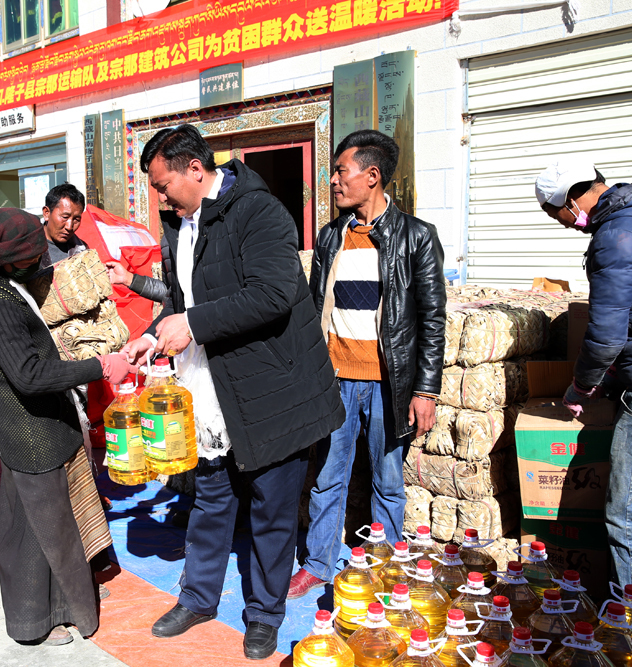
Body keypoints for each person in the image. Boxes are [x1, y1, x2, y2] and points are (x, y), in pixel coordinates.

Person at [121, 124, 344, 660]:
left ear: (195, 170)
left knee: (271, 509)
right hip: (212, 389)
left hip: (272, 388)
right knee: (210, 498)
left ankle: (264, 615)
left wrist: (193, 325)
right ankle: (197, 598)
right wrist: (153, 334)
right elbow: (181, 298)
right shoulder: (182, 224)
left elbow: (274, 293)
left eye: (163, 185)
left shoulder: (258, 212)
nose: (160, 198)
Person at [0, 208, 135, 646]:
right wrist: (98, 365)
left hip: (32, 425)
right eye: (32, 252)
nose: (39, 259)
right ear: (9, 255)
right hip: (29, 430)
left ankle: (64, 603)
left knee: (47, 524)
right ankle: (38, 619)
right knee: (40, 533)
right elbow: (29, 375)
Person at [288, 129, 446, 600]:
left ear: (372, 176)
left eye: (341, 171)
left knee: (388, 481)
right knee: (327, 478)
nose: (333, 181)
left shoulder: (416, 237)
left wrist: (425, 390)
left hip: (387, 384)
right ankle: (317, 564)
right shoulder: (331, 236)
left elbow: (432, 317)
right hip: (335, 380)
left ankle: (386, 566)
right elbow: (316, 308)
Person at [536, 159, 632, 617]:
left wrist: (582, 387)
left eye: (556, 214)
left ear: (571, 200)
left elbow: (605, 334)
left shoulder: (616, 236)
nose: (564, 224)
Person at [39, 182, 87, 269]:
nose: (69, 227)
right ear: (46, 213)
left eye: (76, 219)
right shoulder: (26, 246)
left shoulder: (83, 251)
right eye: (65, 217)